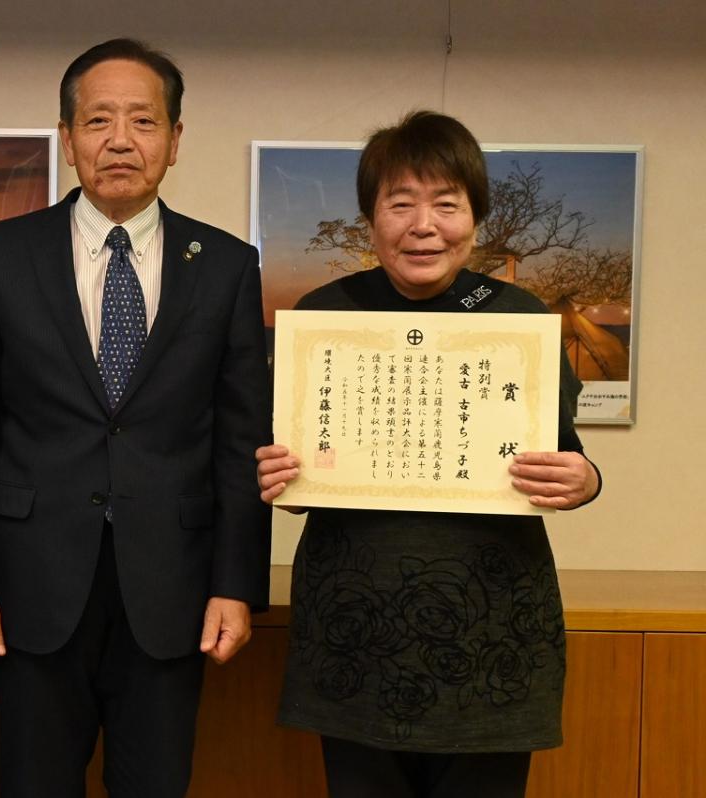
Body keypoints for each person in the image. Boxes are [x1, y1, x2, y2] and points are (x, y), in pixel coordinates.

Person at [0, 38, 272, 798]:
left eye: (143, 122)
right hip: (29, 589)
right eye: (98, 121)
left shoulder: (222, 265)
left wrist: (235, 585)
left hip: (174, 592)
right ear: (68, 139)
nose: (120, 140)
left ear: (175, 140)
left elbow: (239, 438)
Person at [256, 110, 602, 798]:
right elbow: (289, 461)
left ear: (474, 218)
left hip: (491, 627)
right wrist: (273, 474)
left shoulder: (519, 316)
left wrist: (585, 479)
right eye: (401, 203)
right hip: (357, 624)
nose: (424, 225)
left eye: (446, 204)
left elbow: (568, 454)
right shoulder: (325, 316)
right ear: (371, 217)